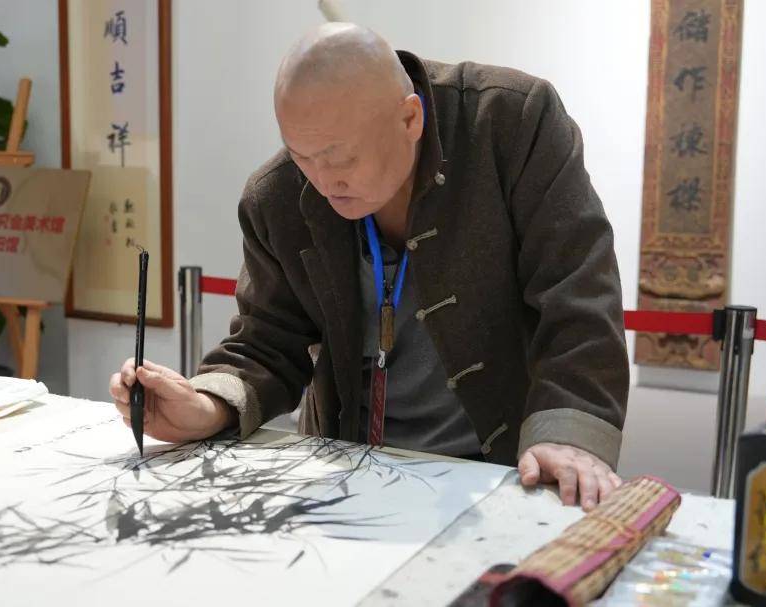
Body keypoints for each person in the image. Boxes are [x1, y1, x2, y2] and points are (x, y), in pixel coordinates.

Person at [113, 23, 629, 511]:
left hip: (500, 470)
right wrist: (205, 406)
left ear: (410, 119)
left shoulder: (510, 124)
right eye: (302, 156)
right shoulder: (278, 195)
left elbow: (577, 289)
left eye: (340, 158)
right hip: (351, 474)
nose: (322, 181)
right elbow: (267, 339)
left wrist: (568, 432)